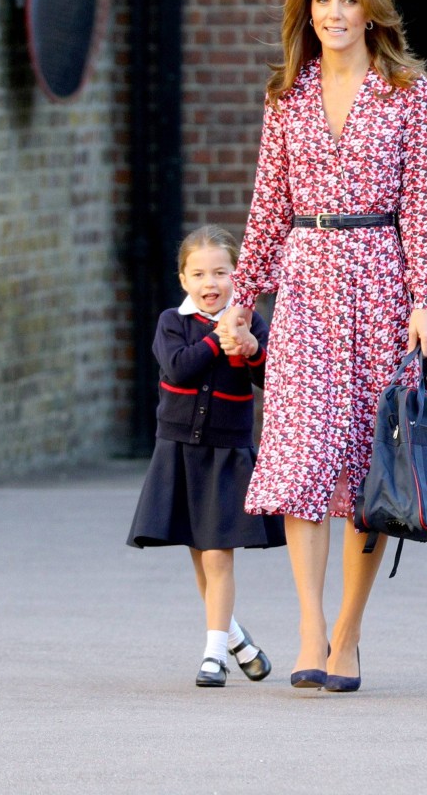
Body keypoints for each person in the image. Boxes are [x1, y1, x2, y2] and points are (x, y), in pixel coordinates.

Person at [218, 0, 427, 694]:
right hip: (307, 284)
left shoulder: (407, 93)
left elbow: (422, 205)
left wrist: (423, 299)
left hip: (380, 281)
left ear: (370, 9)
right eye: (321, 2)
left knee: (367, 469)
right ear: (306, 13)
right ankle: (310, 630)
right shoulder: (286, 96)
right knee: (300, 458)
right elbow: (265, 208)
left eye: (347, 1)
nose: (334, 14)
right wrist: (240, 300)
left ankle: (348, 630)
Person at [127, 224, 286, 688]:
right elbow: (178, 366)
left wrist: (254, 349)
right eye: (199, 274)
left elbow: (273, 378)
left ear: (238, 275)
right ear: (183, 279)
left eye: (220, 272)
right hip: (178, 449)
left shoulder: (250, 321)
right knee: (200, 555)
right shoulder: (171, 323)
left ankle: (213, 656)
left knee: (218, 554)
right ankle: (237, 640)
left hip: (226, 450)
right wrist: (219, 339)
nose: (210, 283)